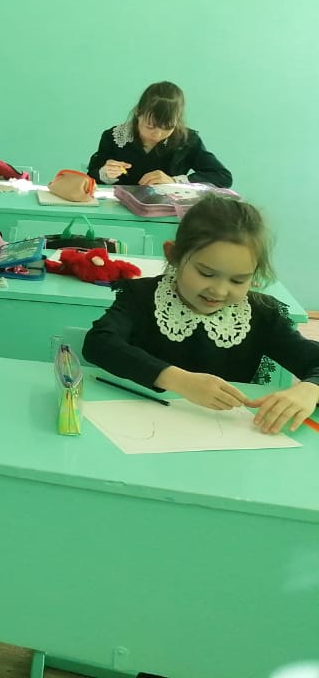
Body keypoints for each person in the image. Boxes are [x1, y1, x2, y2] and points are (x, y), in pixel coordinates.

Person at [84, 194, 318, 435]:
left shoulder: (262, 315)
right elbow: (99, 343)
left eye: (238, 280)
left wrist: (310, 389)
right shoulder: (141, 296)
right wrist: (179, 380)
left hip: (226, 436)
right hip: (140, 427)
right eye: (206, 273)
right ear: (173, 255)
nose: (219, 290)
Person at [88, 80, 232, 187]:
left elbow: (223, 177)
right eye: (150, 126)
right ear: (138, 112)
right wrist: (105, 173)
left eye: (168, 128)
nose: (157, 135)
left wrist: (174, 182)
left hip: (168, 212)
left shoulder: (187, 140)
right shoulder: (114, 137)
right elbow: (90, 177)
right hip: (119, 210)